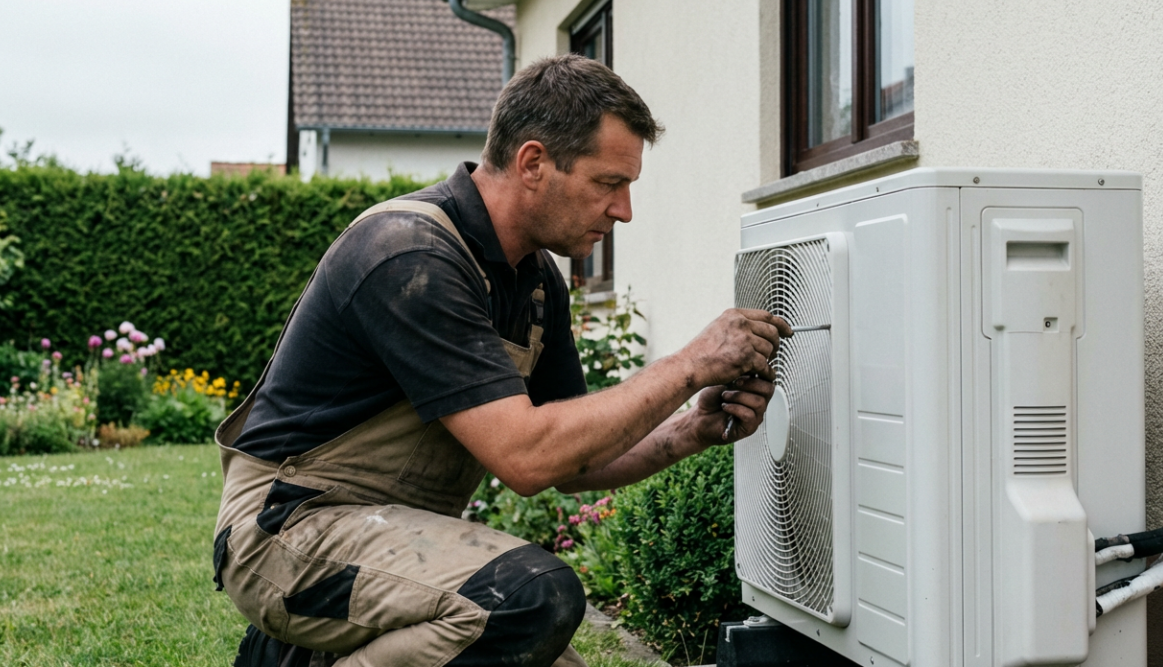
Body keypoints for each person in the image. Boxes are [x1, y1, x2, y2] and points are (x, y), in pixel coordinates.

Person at [212, 54, 790, 667]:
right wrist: (689, 364)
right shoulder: (410, 255)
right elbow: (528, 457)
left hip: (383, 538)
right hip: (287, 533)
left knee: (531, 635)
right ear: (533, 163)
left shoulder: (536, 282)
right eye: (608, 183)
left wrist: (692, 429)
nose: (624, 210)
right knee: (529, 598)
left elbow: (574, 461)